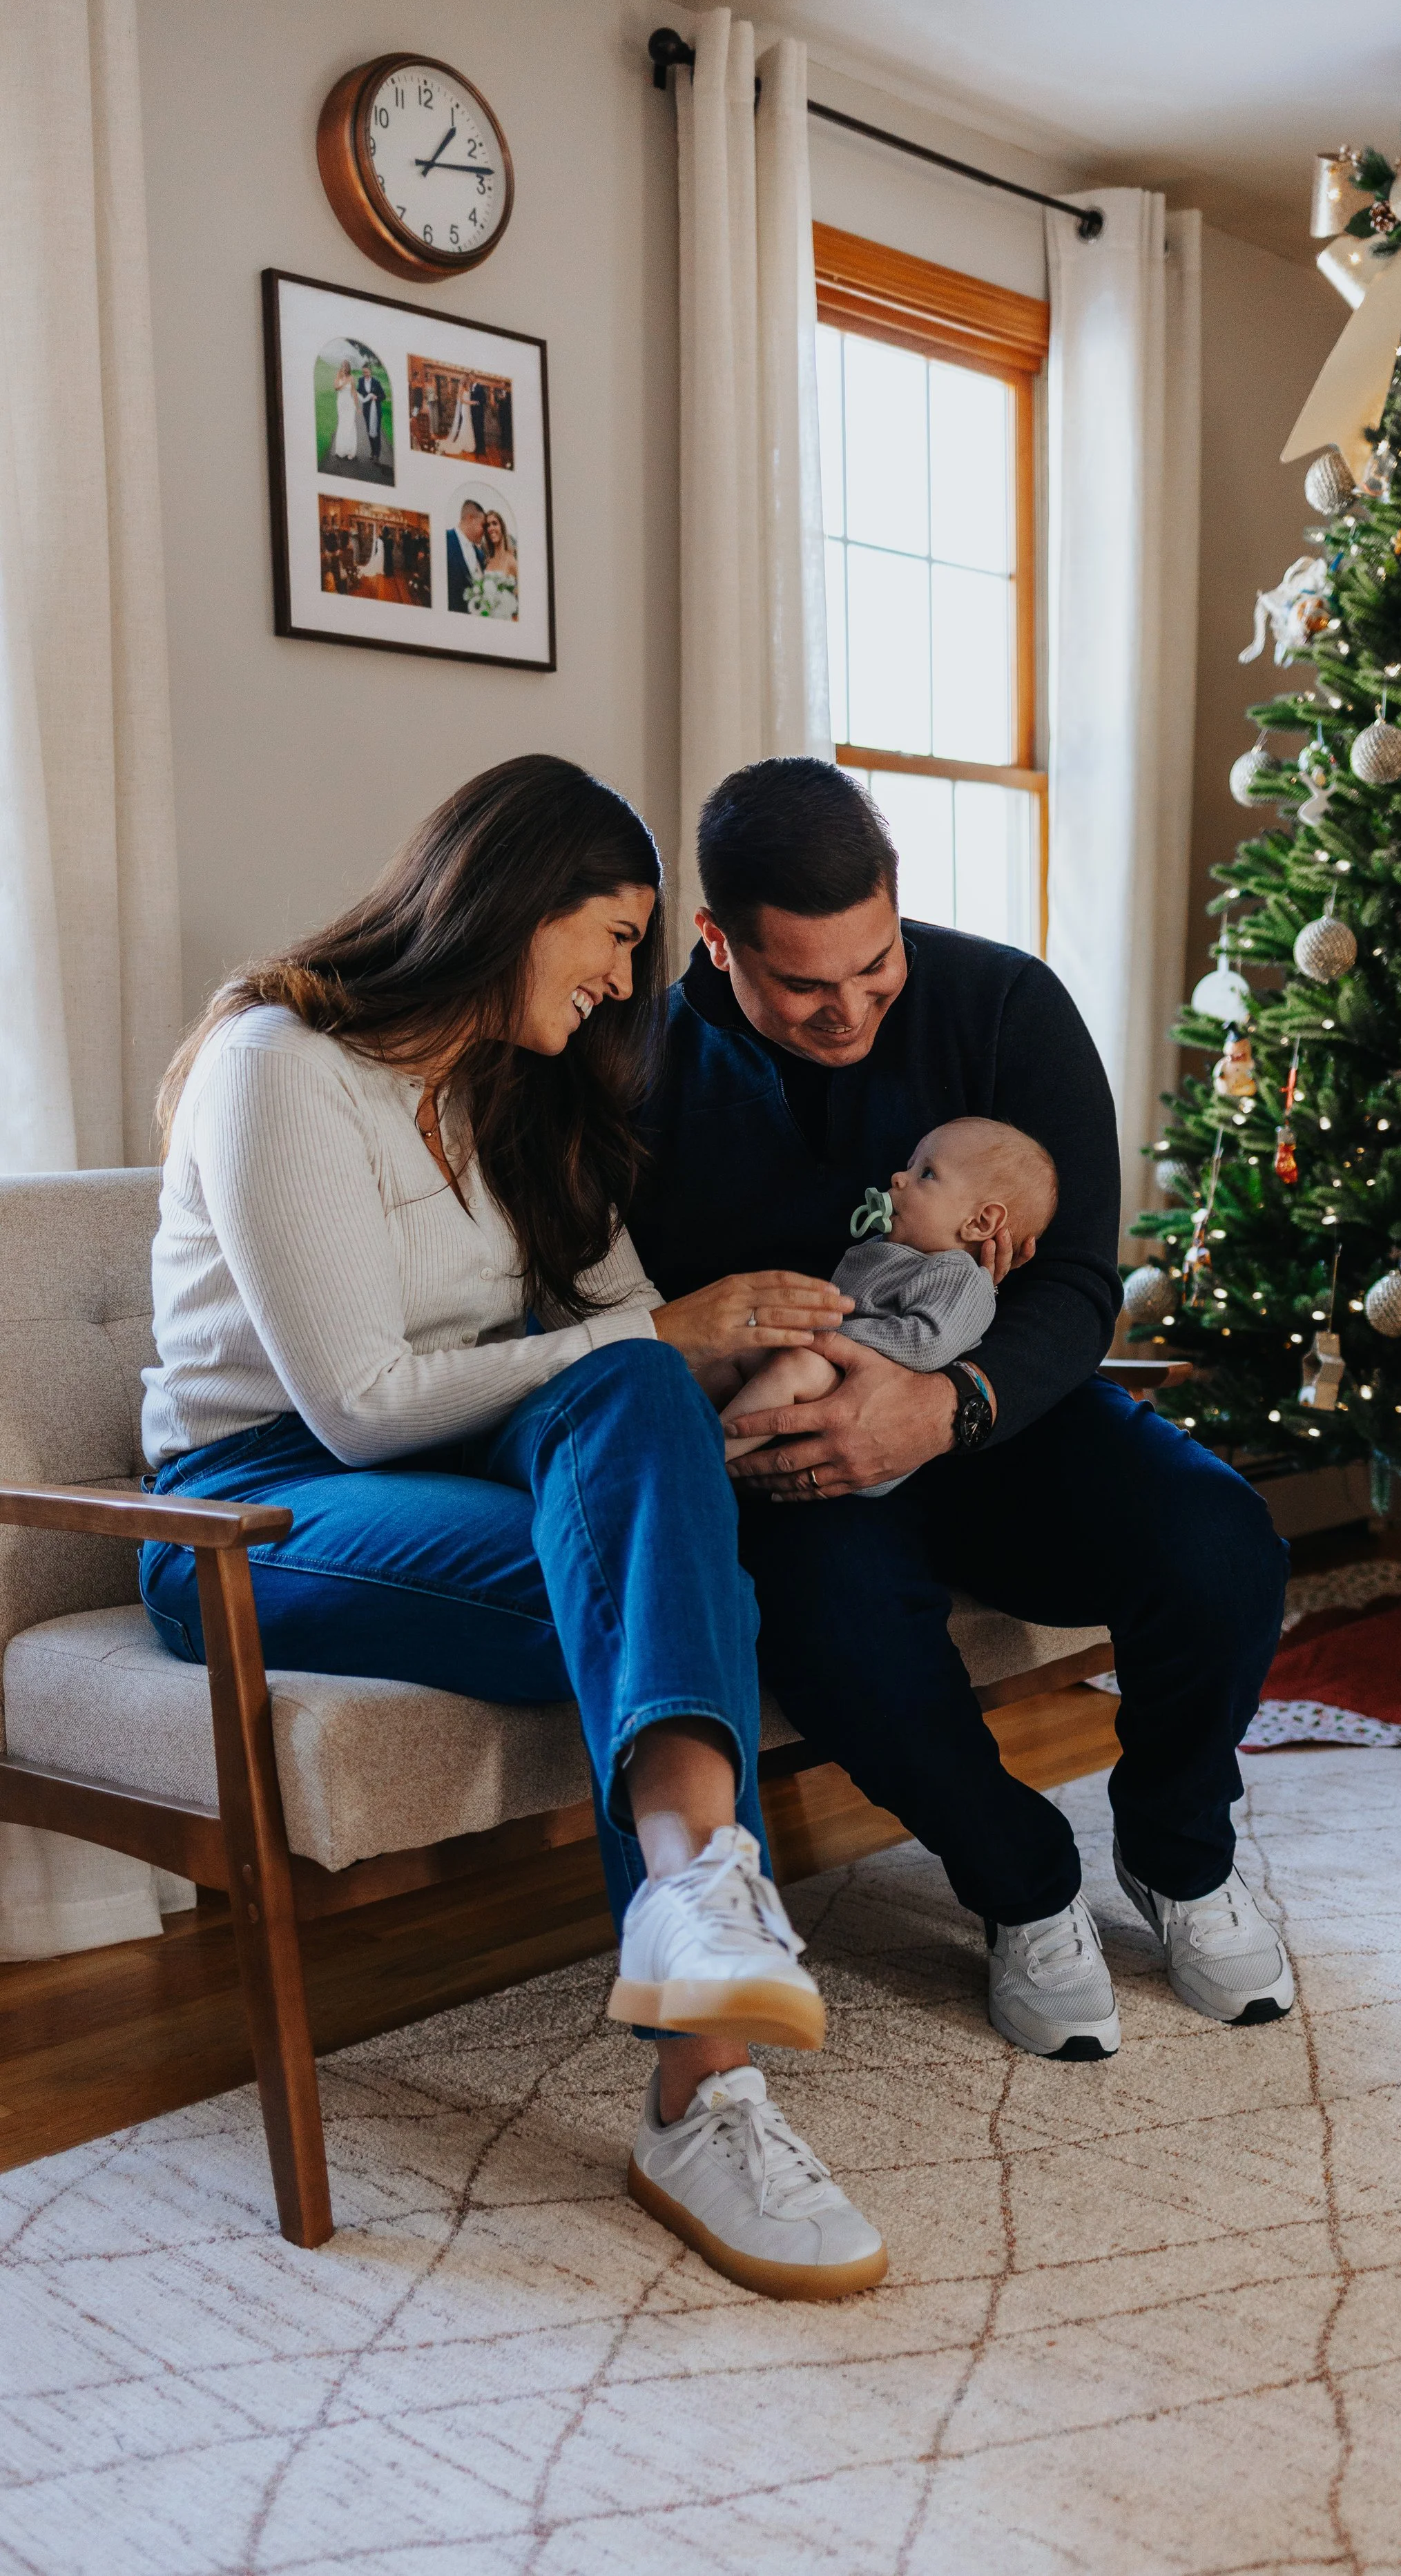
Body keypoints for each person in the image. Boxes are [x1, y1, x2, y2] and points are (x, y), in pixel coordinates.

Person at [137, 755, 888, 2301]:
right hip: (250, 1513)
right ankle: (706, 2081)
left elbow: (624, 1337)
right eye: (612, 935)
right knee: (669, 1581)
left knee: (639, 1422)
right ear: (511, 901)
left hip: (463, 1473)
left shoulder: (526, 1090)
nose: (627, 982)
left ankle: (693, 1917)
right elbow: (354, 1403)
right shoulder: (278, 1063)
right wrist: (654, 1344)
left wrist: (752, 1367)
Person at [630, 757, 1293, 2065]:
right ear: (719, 944)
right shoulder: (644, 1064)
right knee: (840, 1632)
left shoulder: (1003, 1003)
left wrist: (953, 1400)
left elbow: (1085, 1280)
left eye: (874, 964)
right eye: (806, 985)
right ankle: (1023, 1884)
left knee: (1220, 1538)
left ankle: (1177, 1852)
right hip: (796, 1462)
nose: (852, 1007)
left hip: (1005, 1424)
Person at [717, 1119, 1054, 1502]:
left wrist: (824, 1338)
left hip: (874, 1412)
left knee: (795, 1366)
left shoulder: (962, 1278)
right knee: (739, 1350)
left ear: (980, 1222)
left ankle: (700, 1459)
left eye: (926, 1173)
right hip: (834, 1373)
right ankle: (674, 1425)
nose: (898, 1177)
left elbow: (927, 1343)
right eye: (910, 1166)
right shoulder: (892, 1252)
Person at [446, 498, 485, 613]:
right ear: (471, 519)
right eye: (483, 525)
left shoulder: (480, 554)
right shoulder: (444, 540)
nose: (485, 531)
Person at [356, 363, 387, 475]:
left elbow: (384, 396)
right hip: (367, 410)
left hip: (376, 410)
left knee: (376, 431)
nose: (365, 374)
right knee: (370, 431)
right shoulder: (360, 381)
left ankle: (377, 454)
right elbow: (359, 391)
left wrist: (376, 397)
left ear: (371, 371)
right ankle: (373, 451)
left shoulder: (376, 383)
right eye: (364, 372)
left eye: (367, 372)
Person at [329, 360, 360, 467]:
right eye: (343, 366)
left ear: (349, 368)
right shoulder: (338, 375)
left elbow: (354, 393)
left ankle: (351, 451)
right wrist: (345, 383)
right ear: (341, 367)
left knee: (351, 426)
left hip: (350, 404)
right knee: (342, 425)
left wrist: (357, 407)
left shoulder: (351, 378)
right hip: (341, 404)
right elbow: (336, 388)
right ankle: (342, 451)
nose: (345, 368)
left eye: (346, 367)